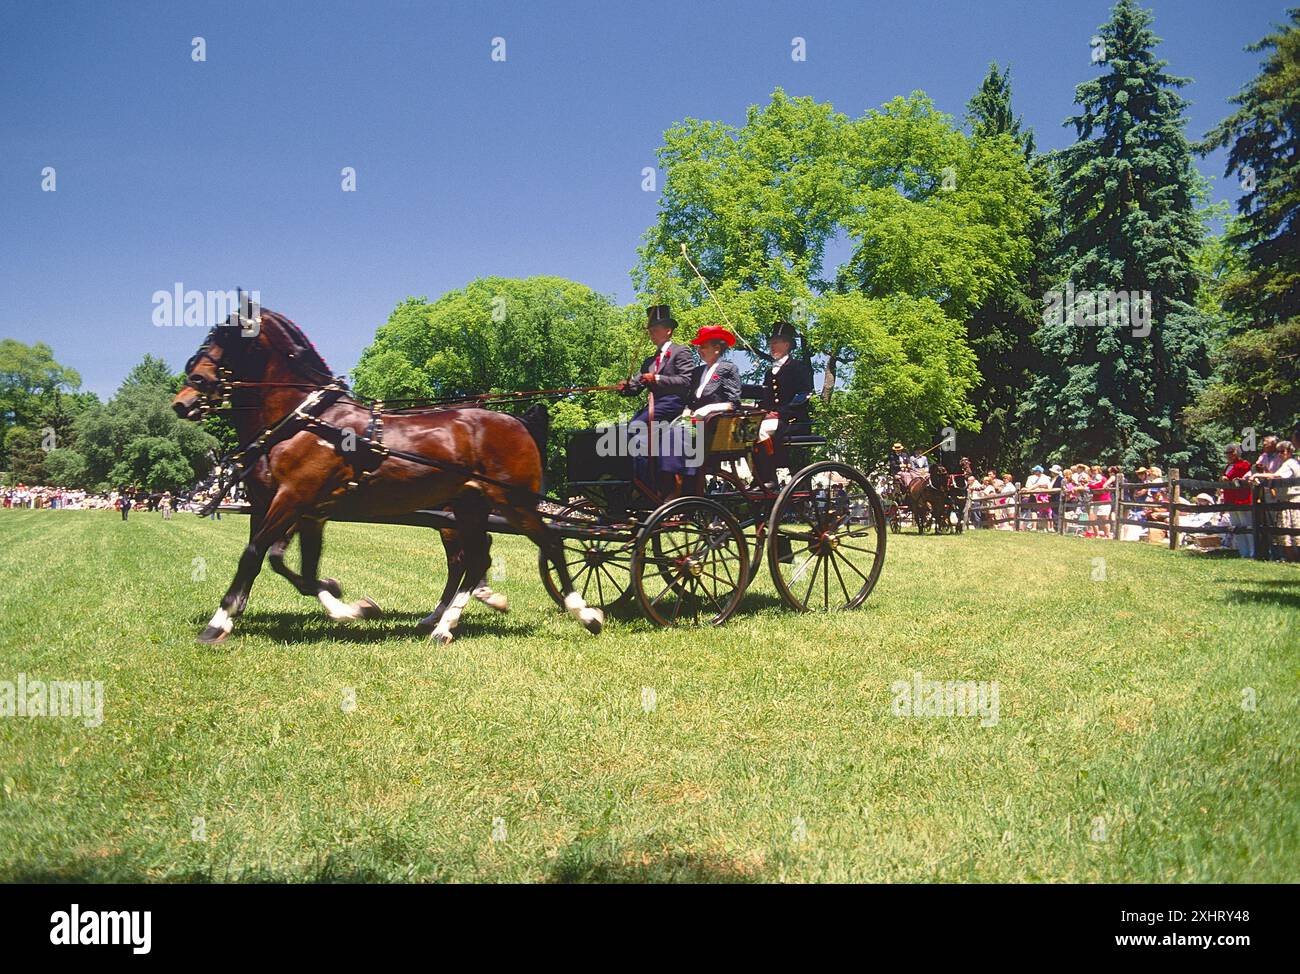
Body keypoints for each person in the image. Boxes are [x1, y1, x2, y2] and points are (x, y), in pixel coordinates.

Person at [617, 305, 694, 497]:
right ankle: (642, 483)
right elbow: (636, 387)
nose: (651, 333)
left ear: (668, 330)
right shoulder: (649, 361)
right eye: (650, 330)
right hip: (654, 407)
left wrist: (657, 379)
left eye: (655, 329)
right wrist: (626, 387)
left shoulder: (681, 351)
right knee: (626, 434)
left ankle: (650, 488)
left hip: (673, 404)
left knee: (635, 428)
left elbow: (686, 381)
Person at [742, 320, 814, 490]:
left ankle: (769, 478)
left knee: (760, 429)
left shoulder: (798, 367)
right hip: (774, 420)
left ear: (787, 344)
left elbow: (804, 394)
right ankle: (758, 476)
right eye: (770, 342)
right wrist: (757, 409)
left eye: (775, 342)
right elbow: (767, 397)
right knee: (743, 431)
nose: (771, 346)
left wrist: (781, 413)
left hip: (793, 421)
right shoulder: (770, 372)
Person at [673, 325, 742, 493]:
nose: (699, 350)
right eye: (698, 347)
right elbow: (691, 400)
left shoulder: (728, 369)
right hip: (694, 424)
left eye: (703, 346)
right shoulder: (697, 372)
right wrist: (686, 412)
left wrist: (709, 408)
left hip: (715, 426)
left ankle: (687, 494)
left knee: (683, 441)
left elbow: (734, 403)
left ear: (717, 348)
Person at [1252, 439, 1300, 561]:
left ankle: (1292, 559)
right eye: (1278, 451)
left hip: (1291, 501)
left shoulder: (1290, 463)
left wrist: (1258, 475)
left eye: (1282, 451)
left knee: (1288, 533)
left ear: (1289, 451)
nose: (1279, 454)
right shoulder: (1291, 463)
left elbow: (1277, 476)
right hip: (1287, 501)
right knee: (1288, 533)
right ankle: (1290, 558)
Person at [1221, 443, 1254, 559]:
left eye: (1231, 452)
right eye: (1227, 453)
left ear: (1237, 453)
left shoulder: (1244, 465)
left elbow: (1244, 479)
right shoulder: (1228, 466)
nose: (1229, 455)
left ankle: (1253, 551)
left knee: (1247, 525)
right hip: (1231, 500)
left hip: (1242, 499)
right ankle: (1243, 552)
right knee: (1237, 526)